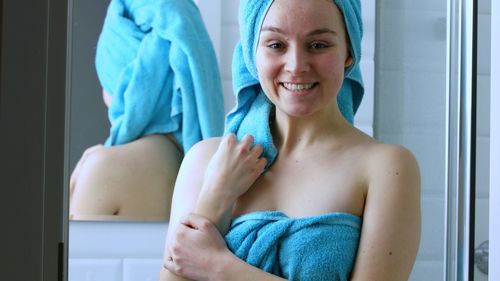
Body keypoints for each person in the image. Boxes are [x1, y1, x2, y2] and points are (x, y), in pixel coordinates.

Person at [159, 0, 421, 280]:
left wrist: (218, 267)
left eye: (318, 45)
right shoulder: (206, 160)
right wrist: (216, 196)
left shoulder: (385, 167)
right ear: (252, 53)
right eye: (276, 45)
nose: (296, 66)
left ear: (349, 53)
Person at [69, 0, 225, 221]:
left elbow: (67, 255)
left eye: (105, 81)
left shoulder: (103, 168)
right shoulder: (211, 176)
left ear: (124, 87)